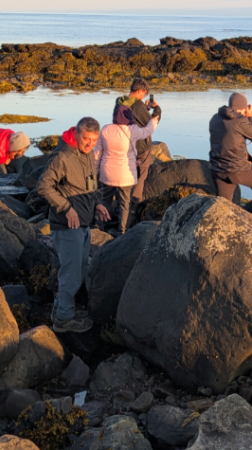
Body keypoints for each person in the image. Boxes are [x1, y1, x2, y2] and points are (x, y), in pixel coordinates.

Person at [36, 116, 111, 333]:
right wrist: (66, 208)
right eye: (86, 138)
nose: (89, 144)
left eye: (93, 140)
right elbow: (43, 186)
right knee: (72, 273)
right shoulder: (63, 156)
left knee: (80, 268)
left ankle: (61, 308)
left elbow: (88, 184)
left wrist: (97, 203)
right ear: (77, 133)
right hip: (67, 225)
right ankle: (63, 320)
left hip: (84, 223)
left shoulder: (86, 155)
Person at [93, 103, 160, 235]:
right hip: (125, 175)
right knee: (125, 203)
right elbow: (148, 130)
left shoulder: (105, 129)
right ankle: (122, 230)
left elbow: (97, 153)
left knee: (105, 199)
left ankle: (99, 227)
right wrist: (156, 114)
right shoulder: (132, 130)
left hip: (107, 173)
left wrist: (94, 172)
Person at [209, 92, 252, 224]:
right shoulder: (240, 120)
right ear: (243, 107)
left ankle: (221, 229)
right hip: (237, 170)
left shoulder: (215, 118)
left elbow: (228, 139)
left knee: (223, 206)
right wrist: (250, 118)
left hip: (217, 170)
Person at [114, 78, 159, 206]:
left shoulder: (121, 102)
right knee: (141, 176)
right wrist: (157, 110)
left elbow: (134, 117)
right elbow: (151, 124)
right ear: (139, 91)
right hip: (139, 147)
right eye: (144, 93)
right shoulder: (138, 105)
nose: (144, 96)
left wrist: (144, 108)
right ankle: (134, 203)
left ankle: (121, 204)